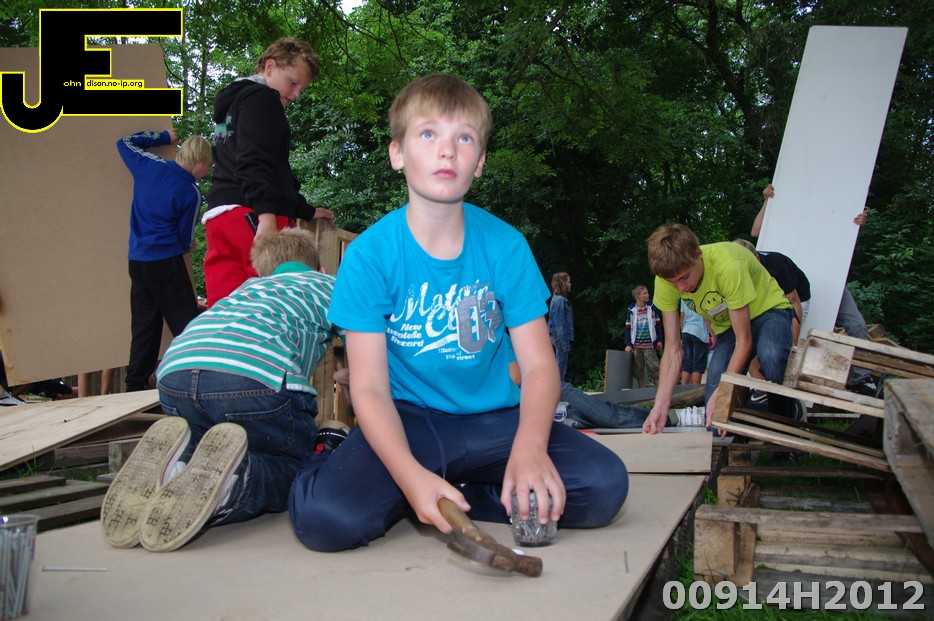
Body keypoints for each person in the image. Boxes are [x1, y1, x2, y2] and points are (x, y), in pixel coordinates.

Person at [289, 74, 628, 553]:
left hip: (497, 421)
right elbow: (368, 388)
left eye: (464, 138)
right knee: (326, 519)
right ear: (397, 153)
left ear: (480, 161)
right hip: (411, 422)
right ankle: (325, 457)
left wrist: (530, 449)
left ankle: (463, 495)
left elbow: (538, 366)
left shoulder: (506, 245)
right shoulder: (369, 256)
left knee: (604, 485)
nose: (447, 150)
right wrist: (409, 475)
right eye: (428, 134)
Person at [101, 227, 344, 552]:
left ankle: (173, 470)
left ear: (264, 273)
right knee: (295, 466)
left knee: (210, 453)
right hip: (253, 378)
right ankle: (230, 487)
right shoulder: (327, 284)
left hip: (175, 373)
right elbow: (368, 338)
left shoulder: (245, 289)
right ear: (320, 268)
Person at [202, 37, 335, 307]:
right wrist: (266, 216)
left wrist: (306, 210)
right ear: (270, 67)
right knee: (276, 303)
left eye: (301, 88)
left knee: (226, 306)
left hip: (221, 216)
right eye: (293, 83)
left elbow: (253, 165)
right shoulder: (263, 99)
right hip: (252, 215)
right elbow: (256, 161)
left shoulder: (231, 107)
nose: (296, 94)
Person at [642, 224, 795, 437]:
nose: (681, 288)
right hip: (728, 326)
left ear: (698, 255)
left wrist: (726, 389)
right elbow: (673, 348)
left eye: (684, 277)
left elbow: (744, 340)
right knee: (715, 407)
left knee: (772, 355)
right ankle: (731, 439)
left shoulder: (727, 265)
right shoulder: (665, 279)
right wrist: (660, 407)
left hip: (768, 310)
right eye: (672, 282)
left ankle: (786, 426)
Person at [752, 183, 877, 396]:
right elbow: (756, 231)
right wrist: (767, 202)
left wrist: (855, 224)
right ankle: (777, 383)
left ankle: (861, 378)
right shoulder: (785, 217)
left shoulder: (829, 214)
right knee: (782, 333)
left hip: (830, 279)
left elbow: (842, 239)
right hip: (791, 281)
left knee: (856, 325)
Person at [116, 128, 211, 392]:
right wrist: (190, 245)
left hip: (137, 260)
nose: (206, 172)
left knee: (144, 327)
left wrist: (163, 138)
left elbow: (124, 142)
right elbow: (184, 240)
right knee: (187, 326)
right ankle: (196, 386)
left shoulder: (149, 166)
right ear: (199, 161)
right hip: (166, 262)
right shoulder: (190, 192)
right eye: (207, 166)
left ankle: (134, 387)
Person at [732, 239, 810, 346]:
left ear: (756, 259)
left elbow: (794, 304)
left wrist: (793, 344)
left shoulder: (776, 267)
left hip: (797, 298)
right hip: (765, 297)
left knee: (781, 340)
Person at [624, 284, 664, 388]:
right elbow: (628, 328)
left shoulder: (652, 308)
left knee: (653, 366)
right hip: (636, 345)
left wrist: (659, 339)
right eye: (644, 293)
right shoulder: (631, 310)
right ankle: (642, 390)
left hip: (649, 344)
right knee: (638, 368)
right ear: (638, 296)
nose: (647, 295)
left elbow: (658, 324)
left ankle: (659, 389)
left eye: (647, 293)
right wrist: (628, 344)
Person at [547, 272, 574, 381]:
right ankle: (559, 389)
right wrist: (564, 343)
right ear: (562, 283)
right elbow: (559, 325)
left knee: (560, 368)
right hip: (560, 340)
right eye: (568, 281)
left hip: (558, 339)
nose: (570, 284)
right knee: (560, 369)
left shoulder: (556, 299)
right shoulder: (560, 301)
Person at [680, 300, 710, 386]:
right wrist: (712, 334)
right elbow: (706, 317)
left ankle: (683, 388)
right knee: (698, 365)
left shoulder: (683, 298)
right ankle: (695, 388)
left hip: (686, 330)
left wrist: (682, 332)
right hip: (699, 331)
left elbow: (682, 317)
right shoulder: (702, 295)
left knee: (687, 364)